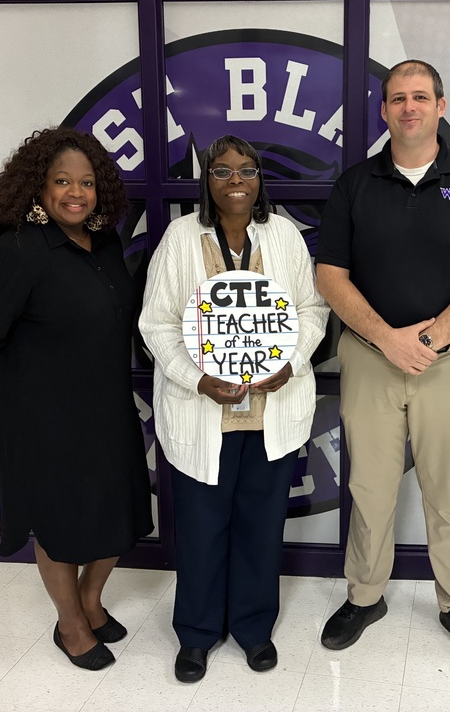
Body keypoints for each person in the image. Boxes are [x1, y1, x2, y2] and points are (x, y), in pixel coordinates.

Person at [315, 59, 450, 670]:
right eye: (398, 98)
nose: (409, 107)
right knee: (369, 487)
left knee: (447, 493)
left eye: (420, 97)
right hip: (371, 360)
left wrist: (428, 341)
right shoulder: (354, 185)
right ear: (384, 111)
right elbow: (330, 276)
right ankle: (365, 596)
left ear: (440, 107)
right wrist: (385, 338)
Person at [0, 128, 154, 671]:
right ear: (38, 187)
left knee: (119, 514)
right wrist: (22, 402)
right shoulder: (17, 251)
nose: (76, 192)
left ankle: (90, 600)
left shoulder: (105, 241)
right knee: (62, 526)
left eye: (86, 182)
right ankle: (70, 624)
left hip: (108, 411)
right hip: (45, 423)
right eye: (62, 181)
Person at [139, 135, 328, 684]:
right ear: (207, 180)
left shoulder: (284, 235)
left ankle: (253, 628)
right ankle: (197, 634)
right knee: (200, 529)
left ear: (260, 178)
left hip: (272, 411)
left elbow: (312, 309)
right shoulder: (180, 237)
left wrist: (289, 363)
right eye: (222, 171)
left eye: (246, 170)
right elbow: (157, 324)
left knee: (260, 527)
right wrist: (198, 378)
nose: (236, 180)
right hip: (204, 416)